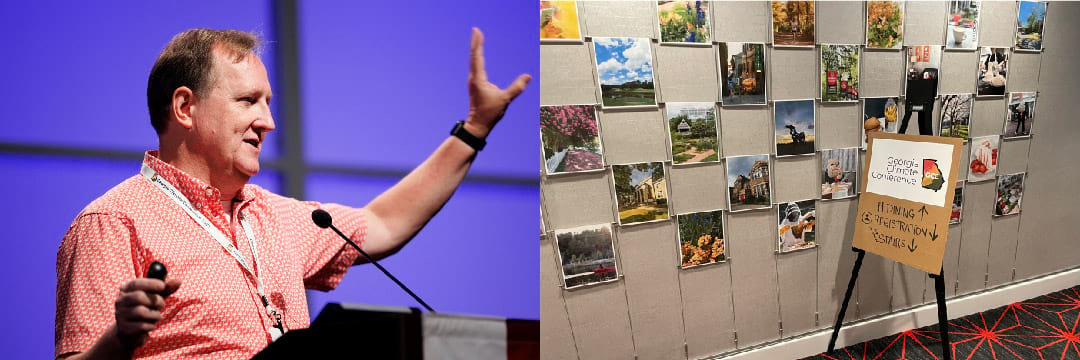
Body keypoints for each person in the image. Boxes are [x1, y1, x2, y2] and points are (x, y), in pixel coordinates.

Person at [54, 28, 529, 359]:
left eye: (268, 102)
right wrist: (119, 338)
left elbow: (385, 224)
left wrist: (473, 130)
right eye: (247, 101)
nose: (268, 122)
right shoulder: (113, 221)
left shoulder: (278, 218)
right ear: (184, 107)